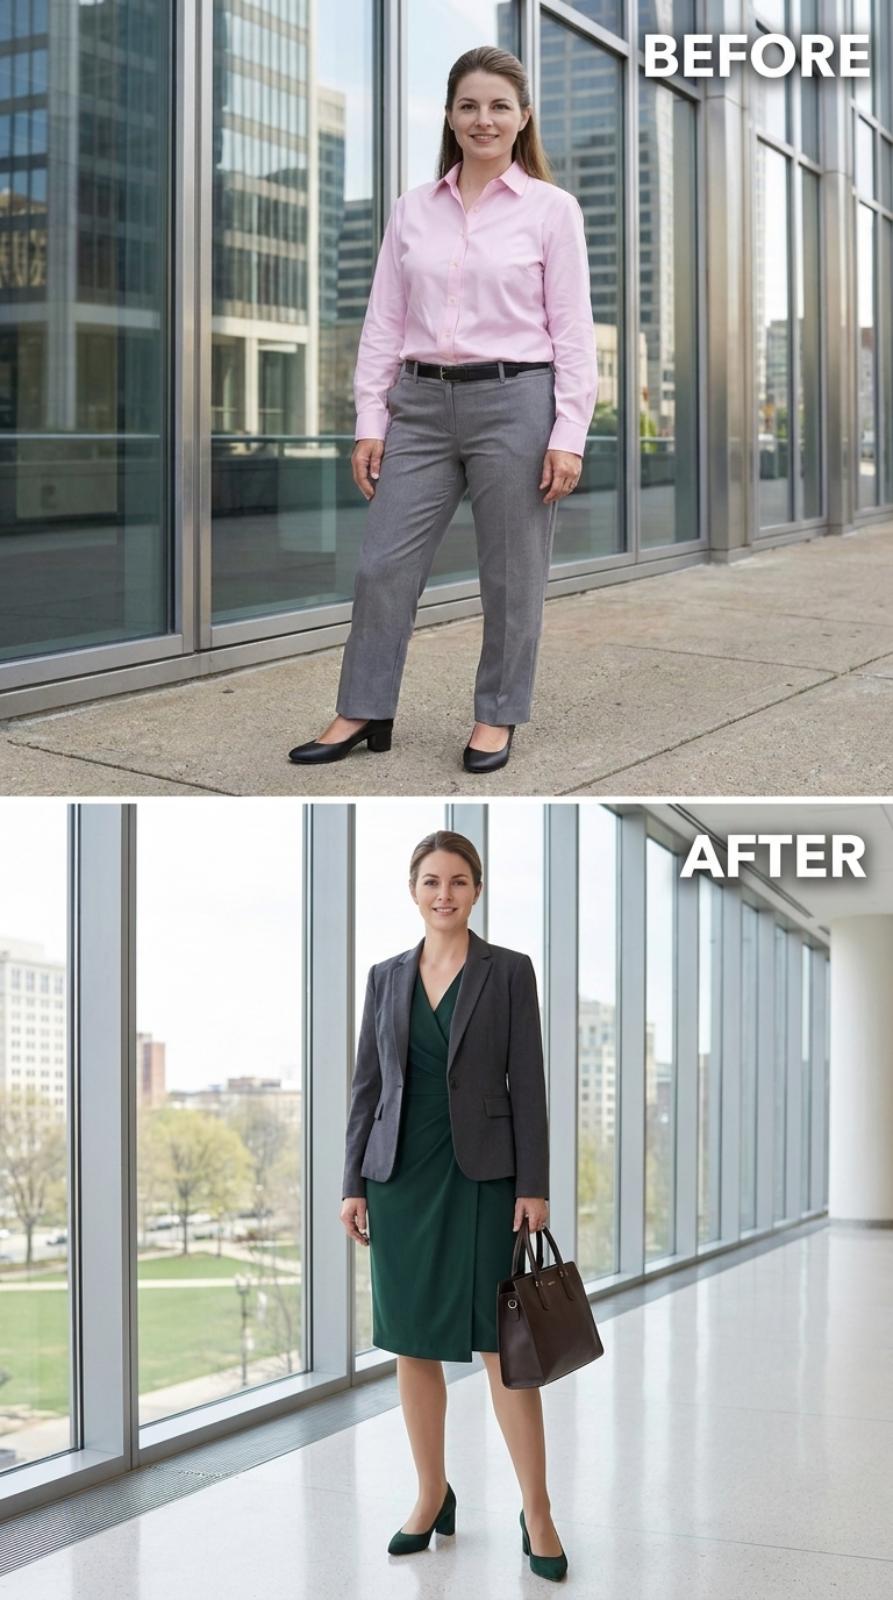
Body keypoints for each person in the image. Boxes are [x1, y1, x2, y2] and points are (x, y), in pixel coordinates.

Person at [288, 43, 598, 776]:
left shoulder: (552, 211)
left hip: (516, 400)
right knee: (381, 567)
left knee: (511, 575)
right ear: (450, 118)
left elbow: (573, 331)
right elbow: (382, 325)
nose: (482, 118)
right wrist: (372, 419)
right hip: (419, 405)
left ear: (521, 118)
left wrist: (569, 433)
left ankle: (496, 715)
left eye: (498, 106)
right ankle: (362, 709)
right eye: (468, 105)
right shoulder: (411, 210)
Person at [339, 830, 568, 1581]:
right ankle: (431, 1492)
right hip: (398, 1176)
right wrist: (352, 1182)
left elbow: (527, 1083)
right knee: (412, 1343)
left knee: (506, 1351)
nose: (445, 894)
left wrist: (532, 1183)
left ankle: (536, 1511)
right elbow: (367, 1087)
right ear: (413, 889)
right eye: (432, 881)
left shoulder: (507, 971)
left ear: (476, 890)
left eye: (459, 881)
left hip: (483, 1177)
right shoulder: (383, 977)